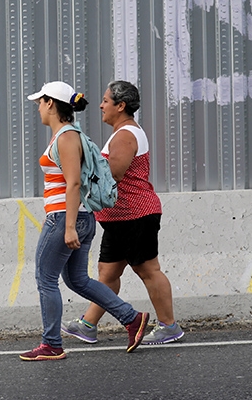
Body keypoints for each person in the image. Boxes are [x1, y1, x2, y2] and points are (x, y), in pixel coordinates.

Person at [20, 81, 150, 361]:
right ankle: (131, 318)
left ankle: (51, 344)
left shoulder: (66, 137)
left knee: (45, 279)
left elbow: (74, 183)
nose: (39, 108)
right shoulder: (67, 135)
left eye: (40, 102)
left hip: (65, 219)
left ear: (51, 104)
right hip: (78, 218)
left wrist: (67, 226)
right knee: (78, 279)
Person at [61, 80, 184, 345]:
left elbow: (113, 173)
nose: (102, 105)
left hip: (135, 215)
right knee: (107, 273)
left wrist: (79, 166)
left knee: (148, 270)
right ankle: (88, 325)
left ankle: (169, 326)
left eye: (106, 100)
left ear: (121, 105)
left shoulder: (127, 134)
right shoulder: (121, 132)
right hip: (119, 218)